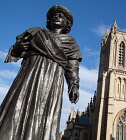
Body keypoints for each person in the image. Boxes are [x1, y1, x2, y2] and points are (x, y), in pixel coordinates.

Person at [0, 5, 82, 140]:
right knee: (17, 109)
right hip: (29, 76)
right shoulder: (36, 33)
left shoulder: (71, 43)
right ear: (49, 21)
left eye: (61, 16)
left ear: (66, 23)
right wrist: (17, 48)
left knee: (44, 113)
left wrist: (74, 85)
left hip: (52, 80)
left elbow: (72, 67)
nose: (56, 17)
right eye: (54, 16)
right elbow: (15, 52)